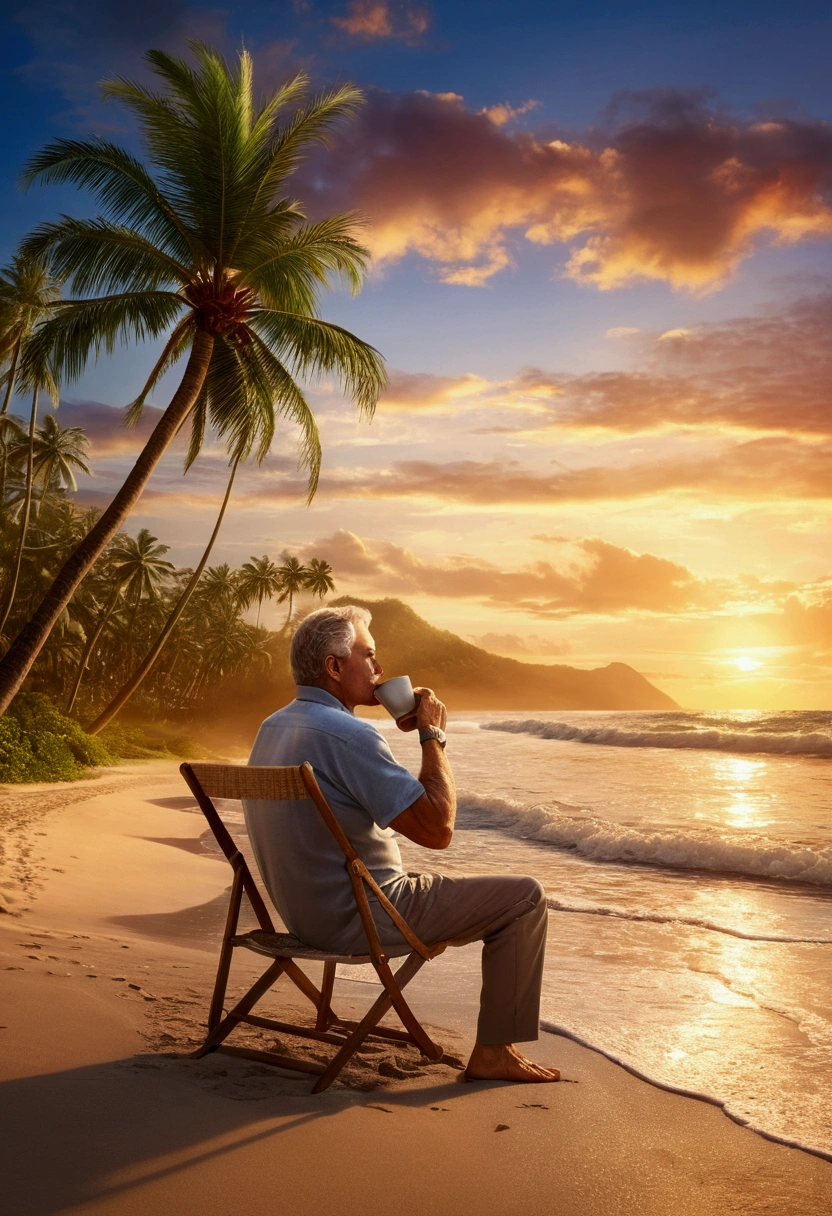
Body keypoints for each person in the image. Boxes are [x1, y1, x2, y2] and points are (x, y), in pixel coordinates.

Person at [244, 604, 559, 1083]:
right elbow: (438, 831)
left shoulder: (272, 728)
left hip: (302, 915)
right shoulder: (350, 737)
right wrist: (432, 735)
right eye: (368, 655)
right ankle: (494, 1053)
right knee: (526, 898)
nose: (380, 669)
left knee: (480, 889)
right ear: (334, 667)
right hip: (366, 916)